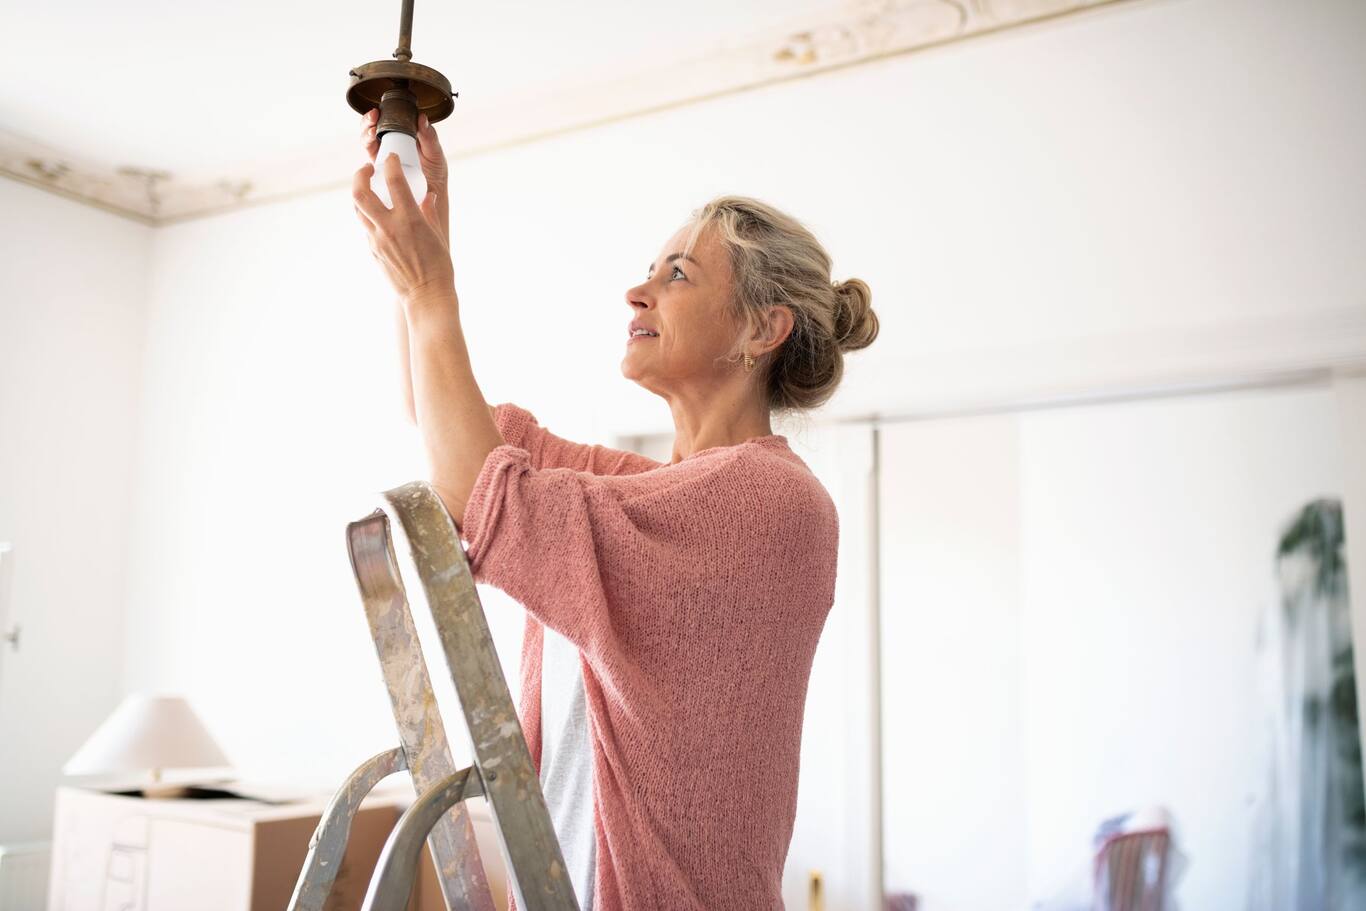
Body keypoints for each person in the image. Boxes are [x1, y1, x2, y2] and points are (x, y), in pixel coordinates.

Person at [353, 108, 879, 911]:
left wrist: (432, 289)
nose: (638, 289)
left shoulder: (772, 502)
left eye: (678, 274)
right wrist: (424, 249)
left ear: (762, 329)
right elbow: (445, 432)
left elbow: (475, 490)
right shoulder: (640, 494)